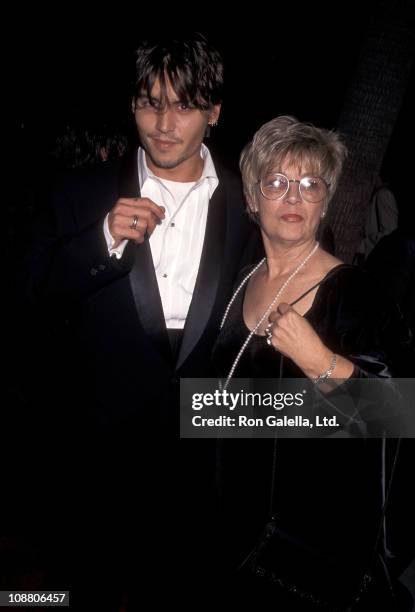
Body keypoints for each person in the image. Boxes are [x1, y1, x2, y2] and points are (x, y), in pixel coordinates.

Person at [25, 32, 260, 607]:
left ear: (214, 112)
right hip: (97, 440)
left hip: (199, 446)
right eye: (149, 101)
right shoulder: (80, 194)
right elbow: (29, 292)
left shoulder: (249, 206)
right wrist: (101, 240)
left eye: (183, 104)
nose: (163, 121)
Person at [212, 116, 415, 609]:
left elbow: (407, 414)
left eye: (310, 185)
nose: (294, 197)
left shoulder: (356, 292)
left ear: (325, 202)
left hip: (309, 550)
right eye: (277, 183)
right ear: (252, 199)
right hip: (230, 525)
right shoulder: (242, 278)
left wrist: (321, 361)